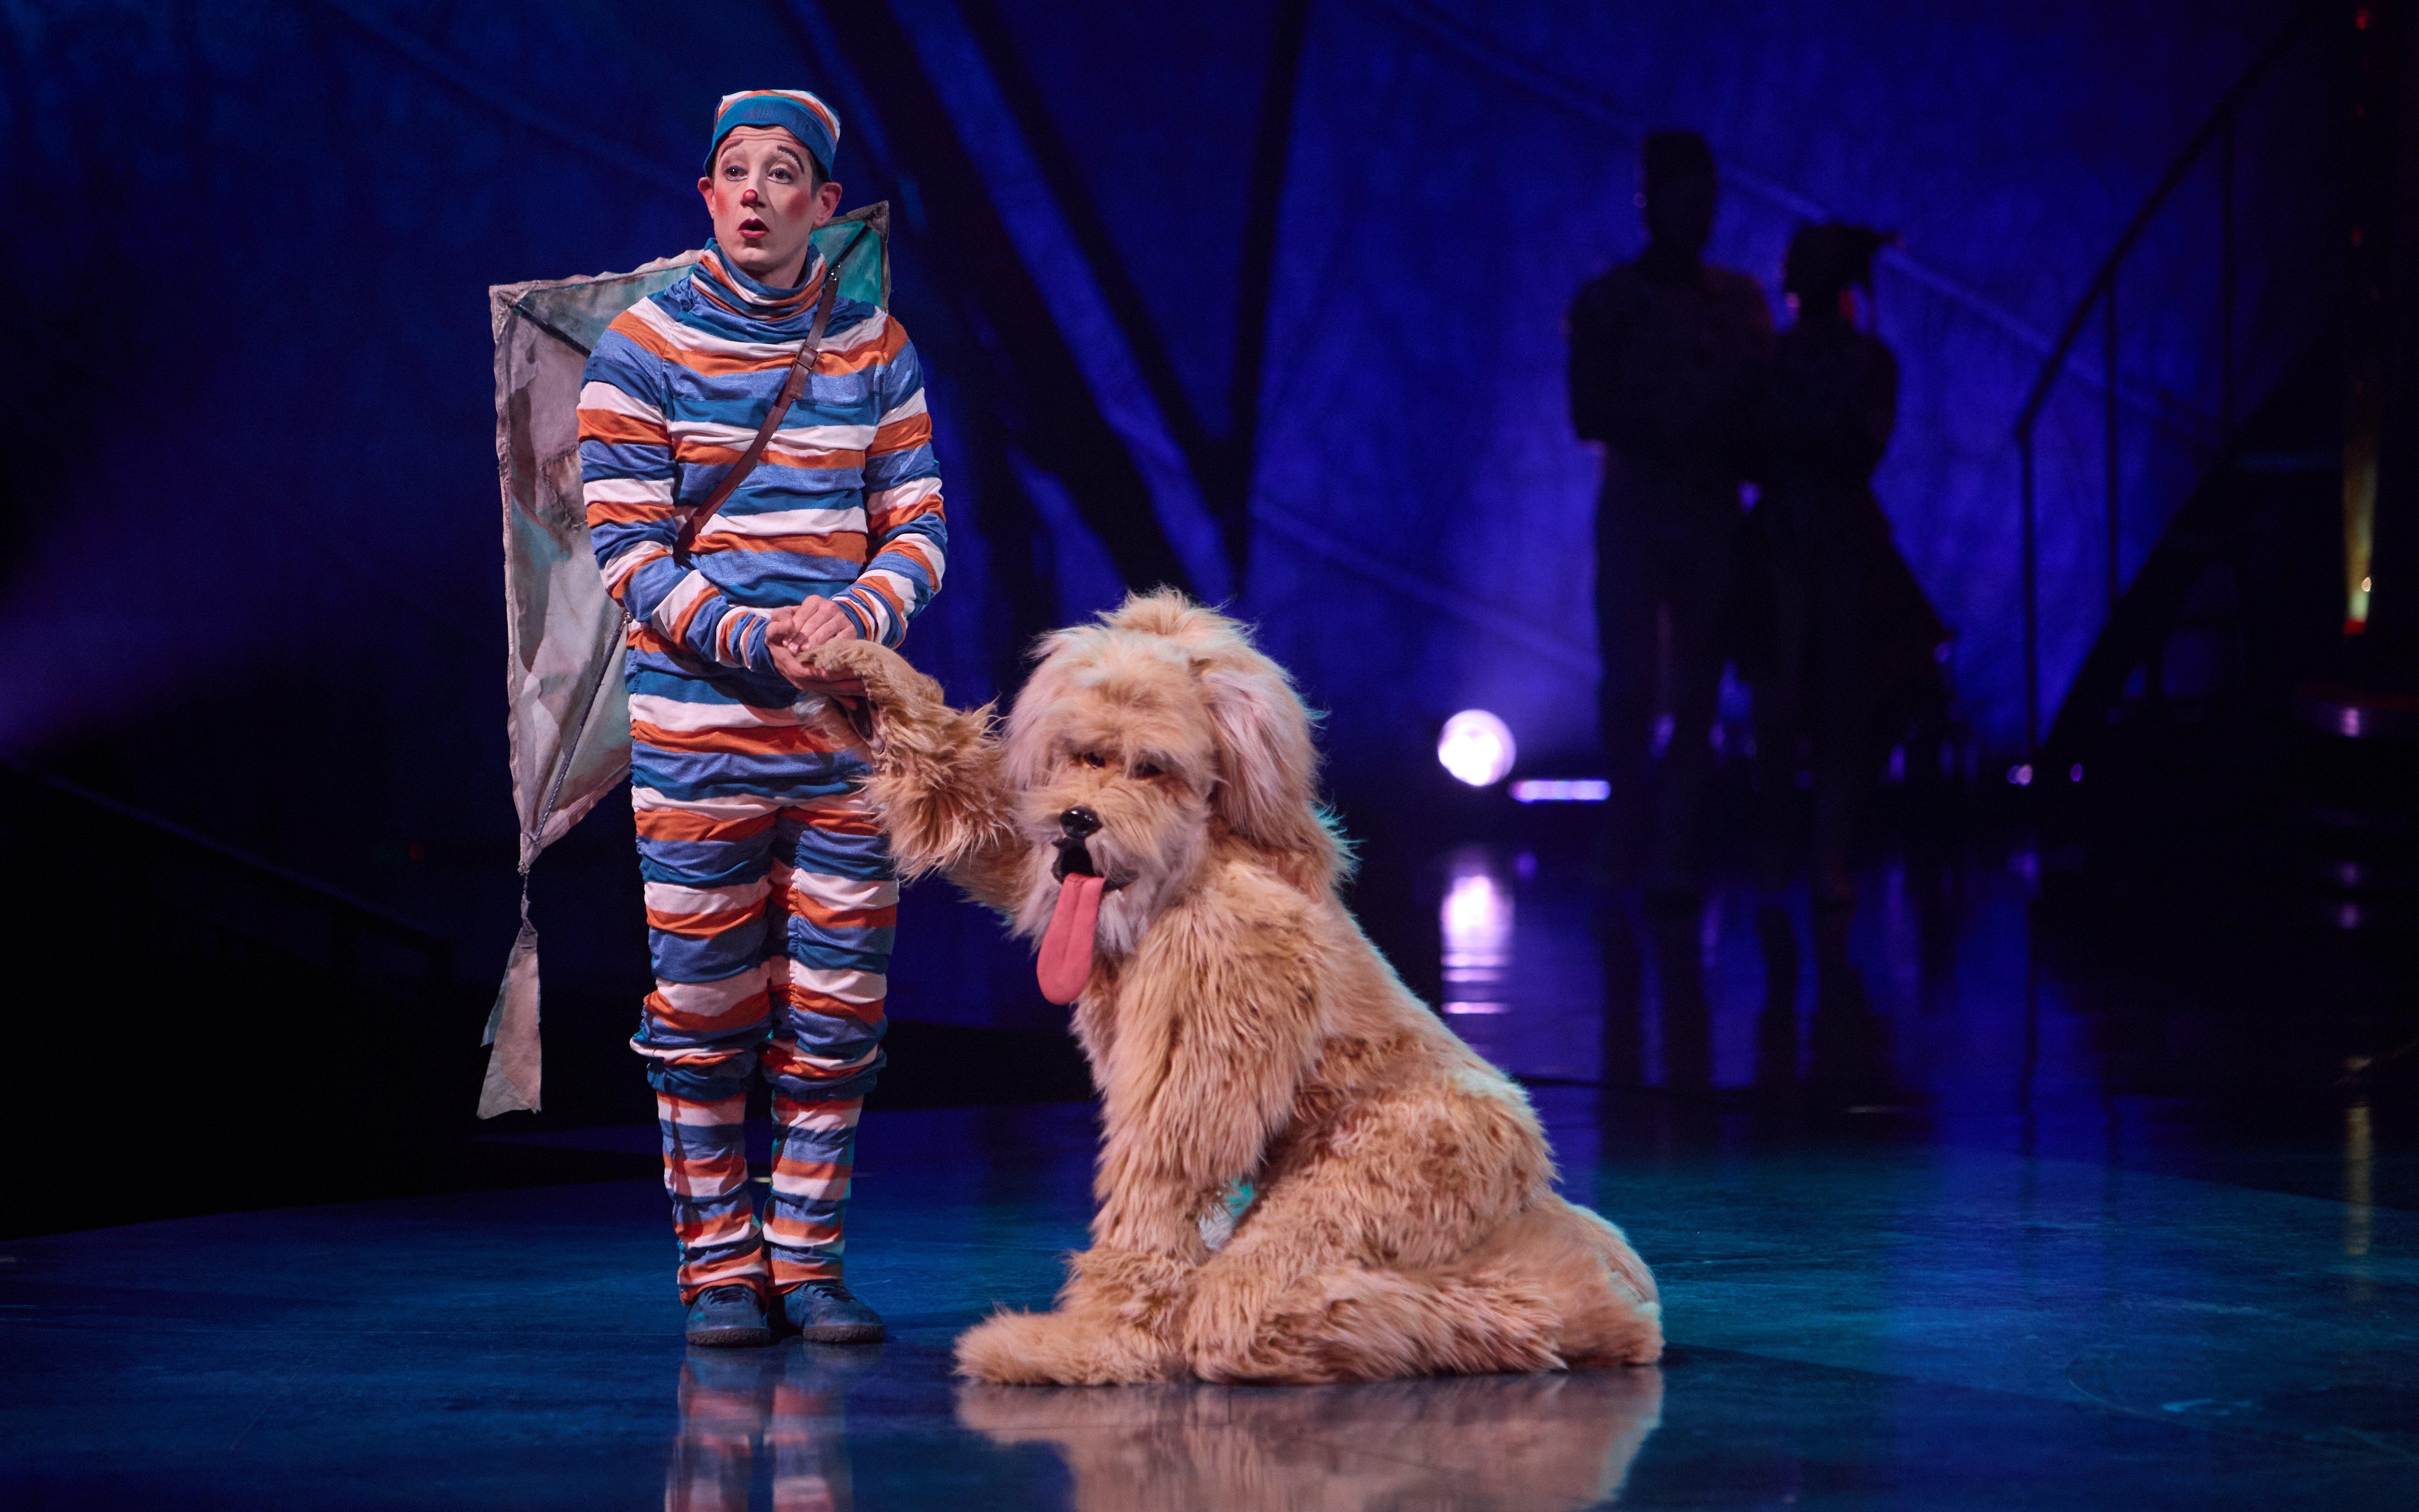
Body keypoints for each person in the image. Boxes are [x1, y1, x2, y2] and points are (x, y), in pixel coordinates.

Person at [578, 89, 947, 1348]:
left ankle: (808, 1261)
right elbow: (626, 549)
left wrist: (851, 621)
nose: (752, 191)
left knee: (838, 1011)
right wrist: (750, 637)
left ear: (820, 206)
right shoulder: (638, 348)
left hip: (845, 743)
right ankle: (718, 1268)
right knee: (704, 1008)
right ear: (706, 196)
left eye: (780, 173)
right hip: (698, 740)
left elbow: (919, 532)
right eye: (732, 171)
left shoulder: (874, 350)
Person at [1568, 130, 1773, 903]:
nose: (1700, 215)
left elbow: (1760, 407)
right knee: (1632, 682)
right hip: (1642, 510)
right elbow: (1588, 409)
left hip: (1704, 512)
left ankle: (1670, 842)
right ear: (1652, 201)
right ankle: (1631, 830)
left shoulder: (1734, 304)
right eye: (1687, 198)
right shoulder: (1612, 302)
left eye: (1707, 200)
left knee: (1694, 685)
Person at [1747, 222, 1899, 907]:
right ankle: (1791, 853)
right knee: (1787, 700)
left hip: (1830, 539)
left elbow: (1860, 446)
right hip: (1792, 540)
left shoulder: (1859, 362)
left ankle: (1818, 853)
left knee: (1836, 698)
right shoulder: (1772, 361)